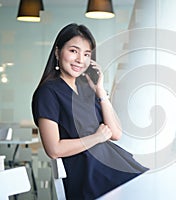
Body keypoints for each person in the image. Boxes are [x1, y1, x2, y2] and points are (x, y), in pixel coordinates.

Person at [31, 23, 148, 200]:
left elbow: (115, 133)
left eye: (86, 54)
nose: (80, 60)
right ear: (57, 52)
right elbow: (54, 149)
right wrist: (97, 137)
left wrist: (100, 91)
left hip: (112, 165)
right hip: (89, 175)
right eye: (73, 51)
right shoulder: (48, 92)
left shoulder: (87, 90)